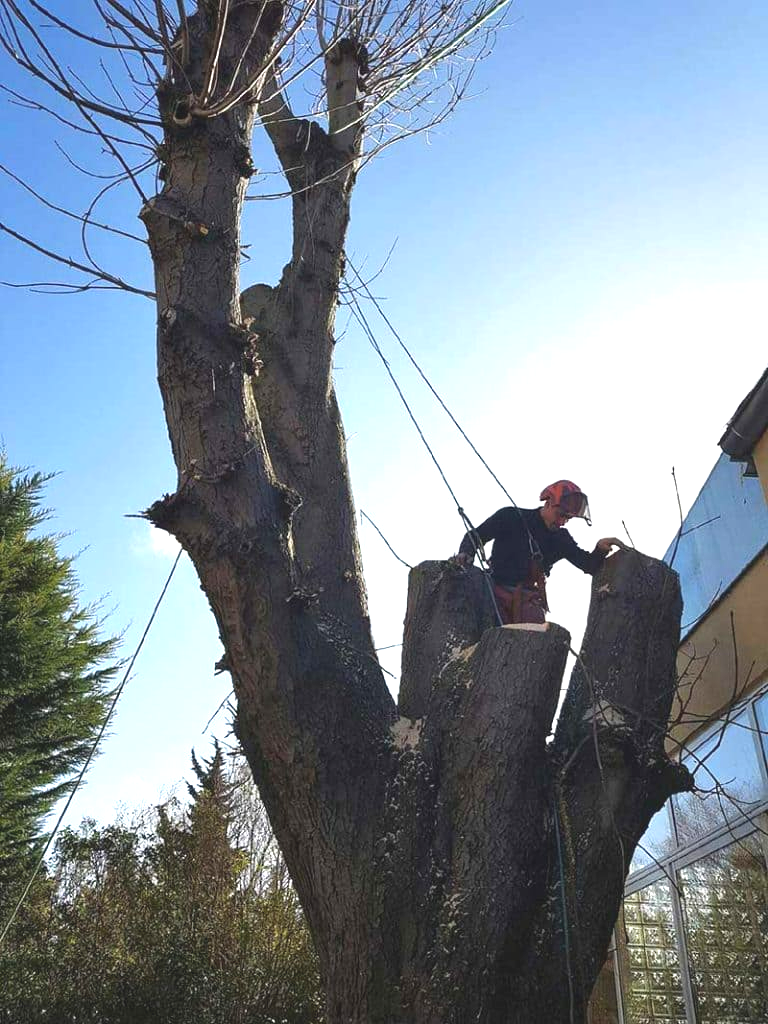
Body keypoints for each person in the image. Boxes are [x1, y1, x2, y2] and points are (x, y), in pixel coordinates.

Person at [455, 480, 623, 625]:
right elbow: (474, 537)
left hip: (526, 601)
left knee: (535, 632)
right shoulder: (511, 516)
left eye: (567, 518)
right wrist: (465, 553)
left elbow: (589, 564)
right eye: (560, 515)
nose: (562, 522)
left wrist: (600, 548)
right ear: (548, 502)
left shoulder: (561, 538)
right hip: (493, 589)